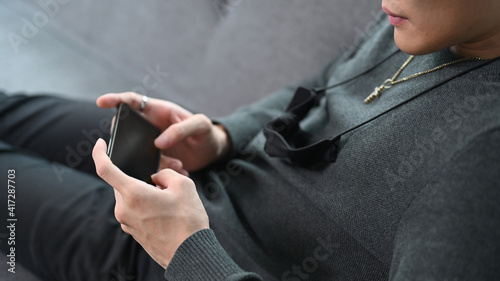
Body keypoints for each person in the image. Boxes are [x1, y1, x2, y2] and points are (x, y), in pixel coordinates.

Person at [1, 0, 500, 280]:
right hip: (202, 178)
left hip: (172, 259)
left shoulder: (481, 166)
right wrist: (220, 136)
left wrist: (185, 249)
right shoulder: (426, 20)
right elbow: (326, 87)